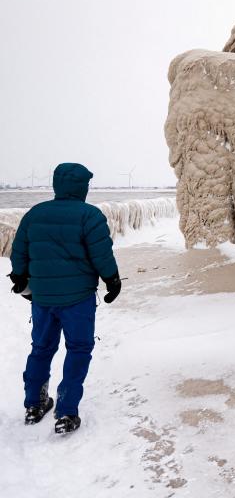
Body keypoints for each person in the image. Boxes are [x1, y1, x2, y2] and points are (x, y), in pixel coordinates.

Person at [7, 163, 122, 434]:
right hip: (79, 299)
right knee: (79, 349)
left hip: (43, 298)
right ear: (82, 187)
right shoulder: (90, 215)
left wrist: (21, 278)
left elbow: (19, 251)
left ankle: (34, 404)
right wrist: (112, 280)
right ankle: (67, 412)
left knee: (42, 348)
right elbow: (101, 253)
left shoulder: (35, 214)